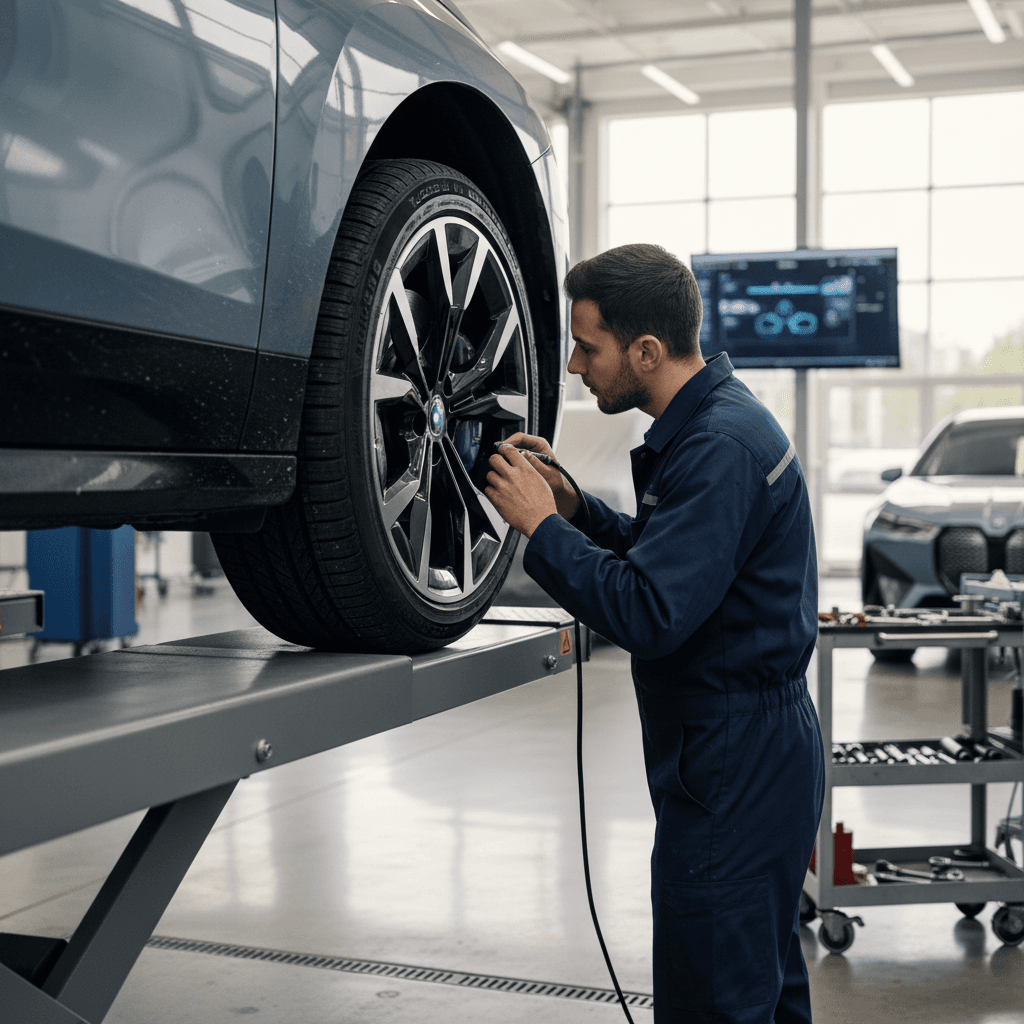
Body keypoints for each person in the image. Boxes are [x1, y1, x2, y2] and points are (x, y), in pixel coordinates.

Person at [484, 243, 824, 1024]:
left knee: (714, 1001)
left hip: (733, 757)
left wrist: (539, 530)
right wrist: (578, 512)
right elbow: (676, 559)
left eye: (586, 346)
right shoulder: (718, 423)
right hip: (754, 746)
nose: (572, 365)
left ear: (646, 349)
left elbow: (651, 612)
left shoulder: (716, 447)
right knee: (760, 988)